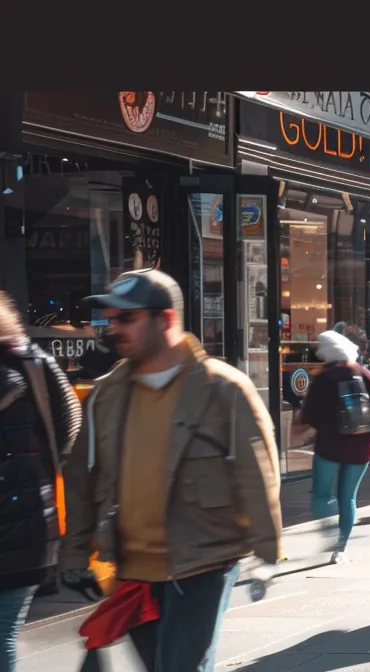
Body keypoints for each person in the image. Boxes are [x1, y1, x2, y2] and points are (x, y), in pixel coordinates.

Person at [59, 269, 283, 670]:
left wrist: (267, 552)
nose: (113, 329)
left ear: (165, 319)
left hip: (202, 562)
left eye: (126, 319)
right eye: (109, 320)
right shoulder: (106, 393)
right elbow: (82, 479)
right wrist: (75, 556)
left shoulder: (222, 388)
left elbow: (257, 472)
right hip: (132, 569)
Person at [0, 291, 81, 671]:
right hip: (32, 520)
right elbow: (68, 426)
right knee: (3, 632)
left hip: (21, 526)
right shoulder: (33, 360)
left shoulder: (27, 362)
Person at [298, 330, 370, 565]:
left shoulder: (324, 377)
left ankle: (329, 530)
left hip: (329, 446)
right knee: (348, 497)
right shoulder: (365, 374)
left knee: (321, 495)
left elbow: (309, 414)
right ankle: (340, 547)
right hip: (360, 448)